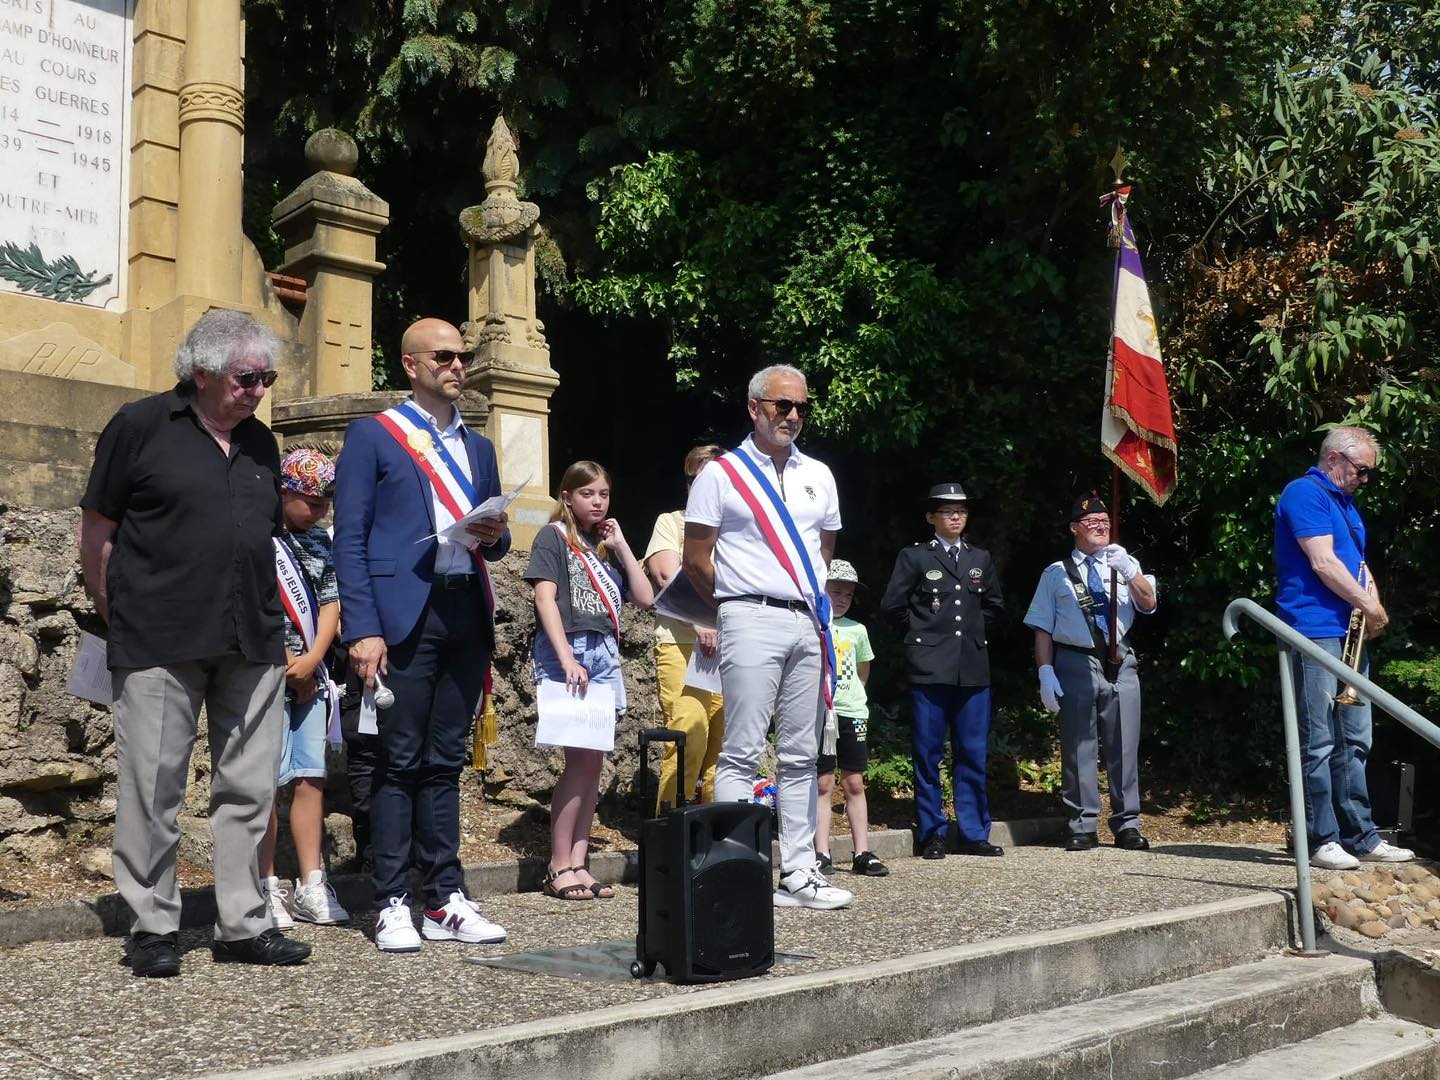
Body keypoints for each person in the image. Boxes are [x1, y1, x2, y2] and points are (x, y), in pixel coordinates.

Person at [79, 309, 311, 976]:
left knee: (249, 788)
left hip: (252, 637)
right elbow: (98, 530)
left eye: (267, 377)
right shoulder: (140, 426)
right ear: (202, 371)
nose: (261, 389)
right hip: (160, 636)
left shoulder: (262, 445)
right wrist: (113, 609)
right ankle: (153, 925)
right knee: (153, 789)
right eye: (248, 378)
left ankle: (243, 924)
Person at [332, 317, 510, 953]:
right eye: (444, 356)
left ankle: (445, 896)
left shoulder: (478, 447)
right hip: (401, 613)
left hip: (463, 609)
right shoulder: (375, 437)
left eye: (462, 356)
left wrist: (496, 533)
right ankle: (391, 900)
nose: (458, 366)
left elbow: (500, 532)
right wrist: (362, 628)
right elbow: (348, 539)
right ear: (410, 365)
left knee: (444, 762)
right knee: (395, 762)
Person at [683, 363, 853, 911]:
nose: (795, 416)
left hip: (808, 618)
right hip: (748, 616)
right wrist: (735, 602)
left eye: (802, 406)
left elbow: (822, 553)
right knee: (743, 749)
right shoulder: (721, 474)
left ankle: (800, 870)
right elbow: (695, 557)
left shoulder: (819, 474)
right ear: (754, 407)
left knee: (803, 752)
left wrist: (798, 596)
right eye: (784, 406)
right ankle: (739, 867)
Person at [1275, 427, 1413, 869]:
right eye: (1362, 470)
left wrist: (1373, 606)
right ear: (1334, 458)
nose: (1365, 479)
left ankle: (1361, 835)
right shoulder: (1304, 493)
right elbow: (1323, 561)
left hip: (1348, 630)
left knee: (1355, 738)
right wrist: (1370, 605)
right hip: (1313, 630)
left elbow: (1355, 562)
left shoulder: (1345, 504)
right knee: (1318, 740)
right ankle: (1321, 839)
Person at [526, 460, 654, 900]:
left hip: (604, 653)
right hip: (570, 652)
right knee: (577, 762)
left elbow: (644, 596)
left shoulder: (602, 546)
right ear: (567, 496)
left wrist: (621, 547)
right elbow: (545, 598)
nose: (597, 501)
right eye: (587, 494)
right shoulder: (553, 538)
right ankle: (558, 864)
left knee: (593, 763)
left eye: (603, 494)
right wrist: (565, 659)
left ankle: (579, 862)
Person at [1024, 493, 1156, 851]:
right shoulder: (1055, 573)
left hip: (1121, 661)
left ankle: (1127, 823)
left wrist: (1129, 571)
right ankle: (1081, 823)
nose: (1100, 527)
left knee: (1124, 743)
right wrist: (1045, 671)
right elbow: (1042, 628)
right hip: (1075, 660)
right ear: (1074, 528)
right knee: (1079, 744)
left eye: (1104, 522)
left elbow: (1149, 603)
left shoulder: (1125, 562)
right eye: (1091, 522)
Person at [880, 483, 1004, 859]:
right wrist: (925, 634)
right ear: (931, 517)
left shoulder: (979, 557)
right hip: (930, 667)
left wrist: (967, 636)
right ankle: (932, 831)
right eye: (947, 511)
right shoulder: (915, 557)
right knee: (928, 752)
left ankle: (972, 831)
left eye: (961, 511)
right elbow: (893, 606)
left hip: (972, 668)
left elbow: (994, 607)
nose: (955, 516)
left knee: (972, 751)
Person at [257, 448, 349, 929]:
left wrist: (314, 659)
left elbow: (332, 604)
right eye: (310, 501)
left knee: (310, 777)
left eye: (326, 502)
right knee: (266, 783)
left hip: (313, 677)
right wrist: (285, 659)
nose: (318, 510)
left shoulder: (322, 544)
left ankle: (311, 881)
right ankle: (265, 884)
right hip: (266, 673)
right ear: (284, 492)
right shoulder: (260, 539)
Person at [643, 444, 726, 811]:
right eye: (697, 478)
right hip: (681, 644)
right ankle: (670, 828)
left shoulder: (738, 530)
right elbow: (664, 572)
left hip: (730, 650)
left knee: (723, 749)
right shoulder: (672, 521)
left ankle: (715, 837)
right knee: (690, 729)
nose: (703, 485)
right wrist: (702, 617)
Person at [815, 560, 888, 877]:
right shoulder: (814, 623)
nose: (842, 598)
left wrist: (852, 696)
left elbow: (863, 671)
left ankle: (862, 851)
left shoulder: (858, 630)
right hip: (822, 712)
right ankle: (821, 852)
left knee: (854, 781)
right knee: (823, 782)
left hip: (852, 712)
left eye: (848, 594)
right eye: (835, 592)